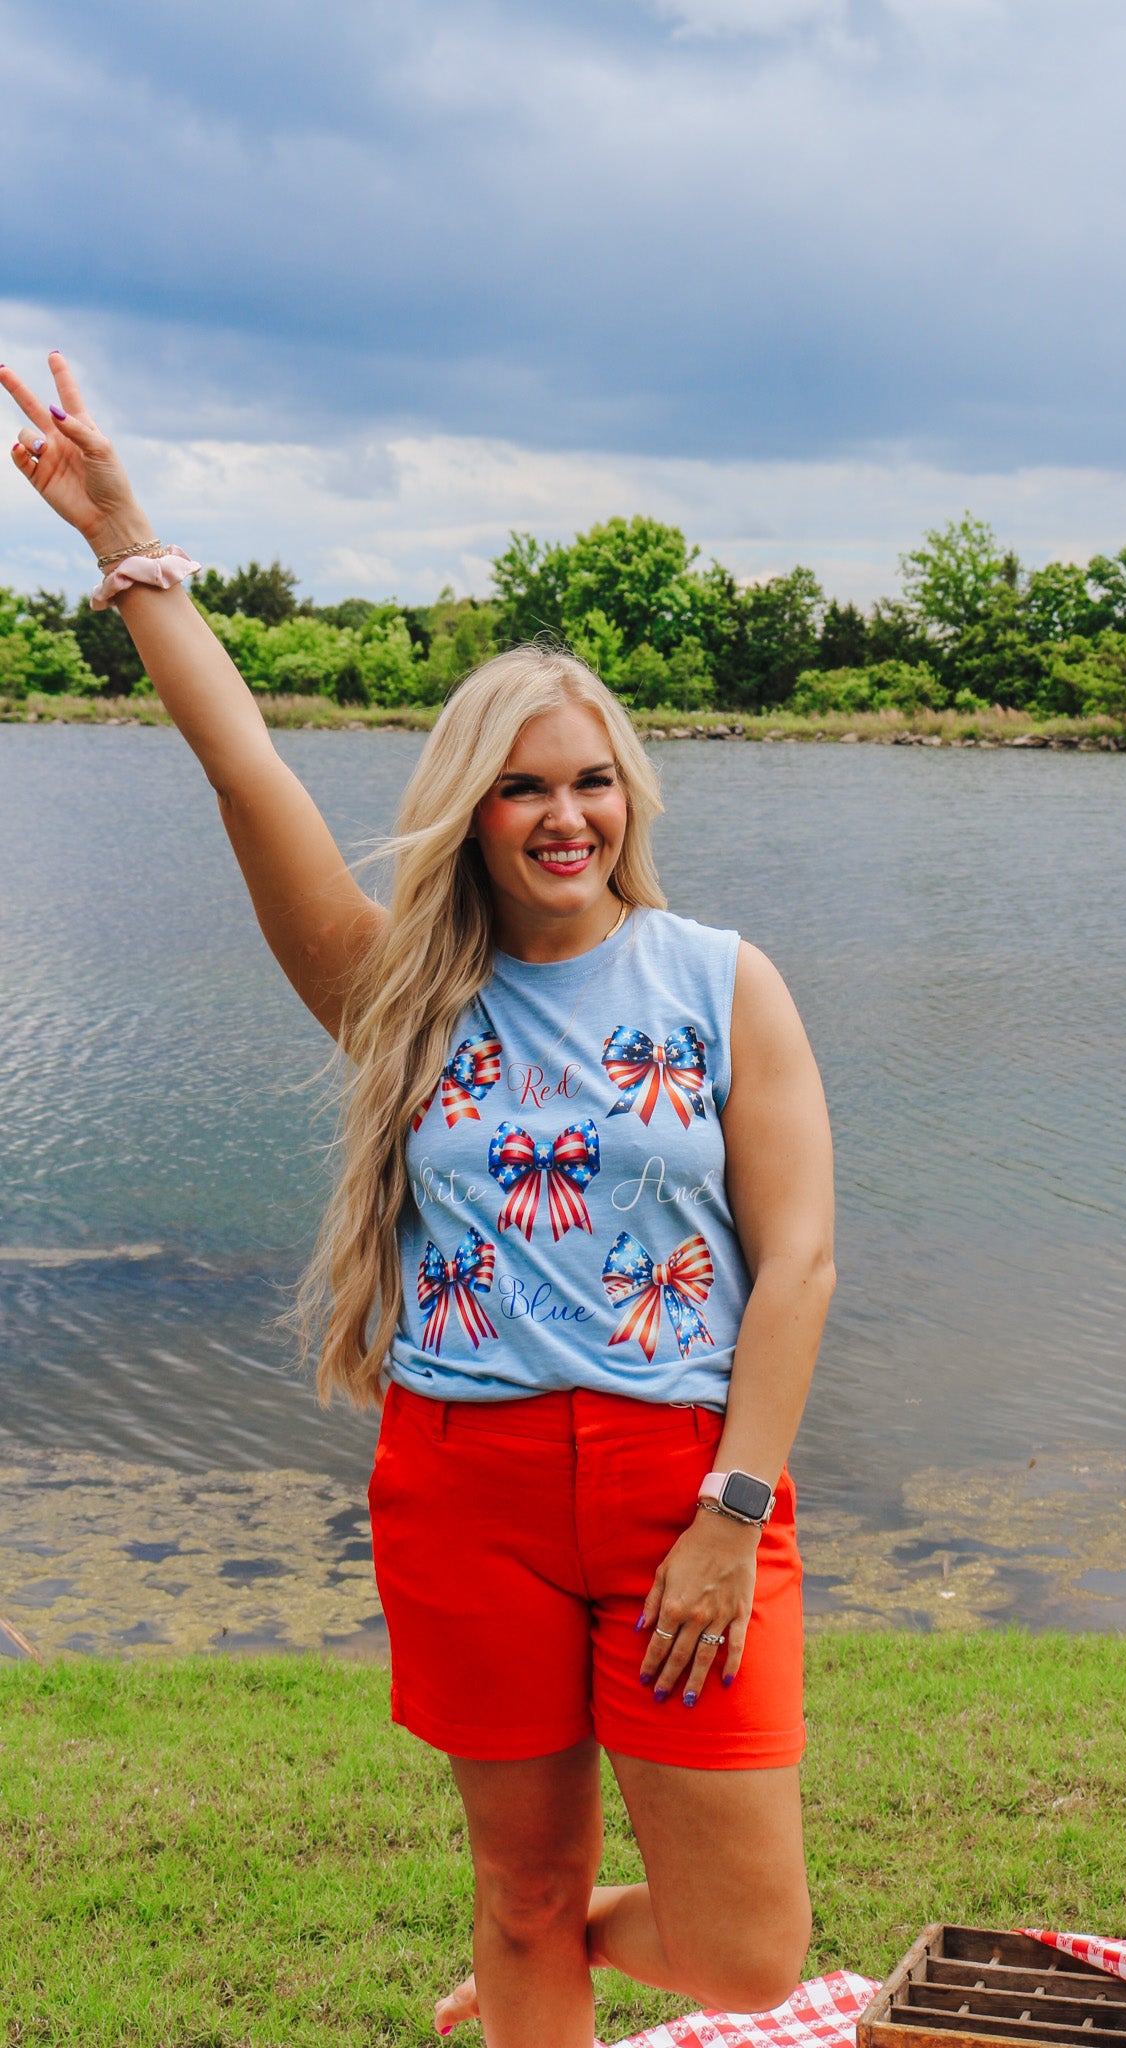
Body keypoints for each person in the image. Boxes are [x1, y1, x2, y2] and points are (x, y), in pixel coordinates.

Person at [2, 352, 837, 2048]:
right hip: (470, 1484)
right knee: (518, 1889)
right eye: (522, 784)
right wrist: (127, 538)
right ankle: (531, 1961)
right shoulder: (402, 999)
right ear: (470, 807)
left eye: (590, 779)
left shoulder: (717, 978)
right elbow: (251, 778)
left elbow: (802, 1254)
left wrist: (728, 1517)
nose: (562, 815)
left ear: (630, 797)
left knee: (747, 1956)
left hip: (692, 1476)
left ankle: (546, 1957)